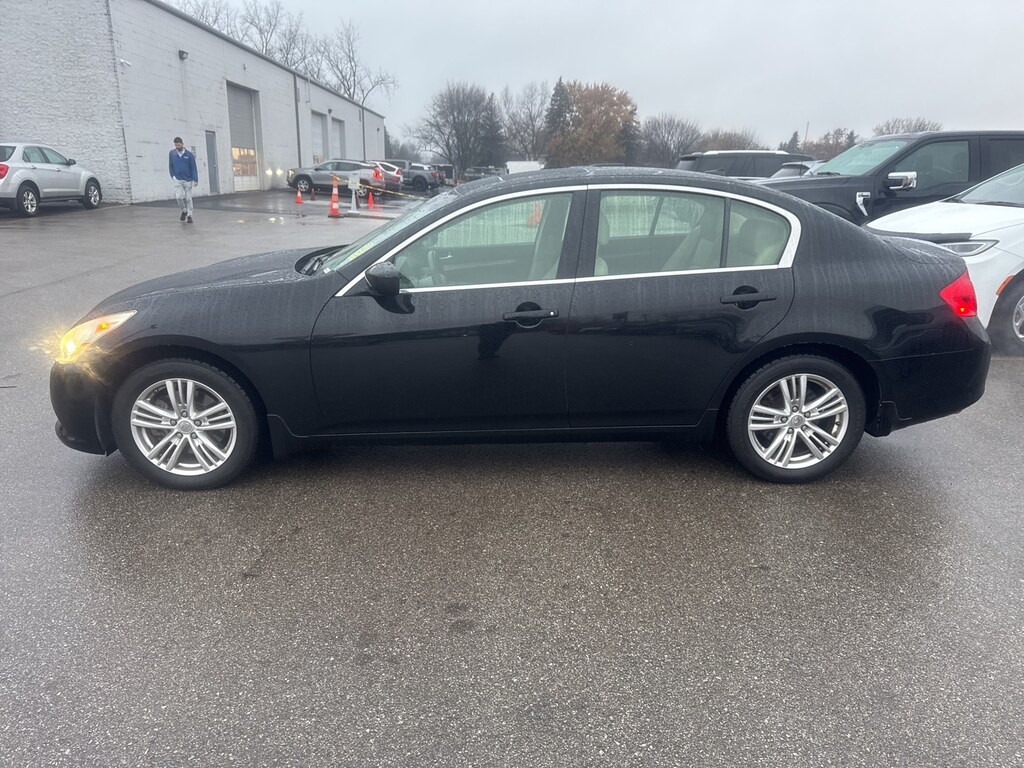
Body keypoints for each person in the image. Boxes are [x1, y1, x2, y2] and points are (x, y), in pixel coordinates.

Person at [168, 137, 198, 223]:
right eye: (176, 145)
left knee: (188, 198)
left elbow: (193, 168)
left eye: (178, 145)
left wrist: (195, 179)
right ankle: (184, 211)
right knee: (179, 197)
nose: (177, 146)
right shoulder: (172, 153)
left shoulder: (189, 155)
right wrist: (172, 175)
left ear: (182, 144)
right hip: (177, 179)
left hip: (188, 180)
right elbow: (170, 165)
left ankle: (189, 215)